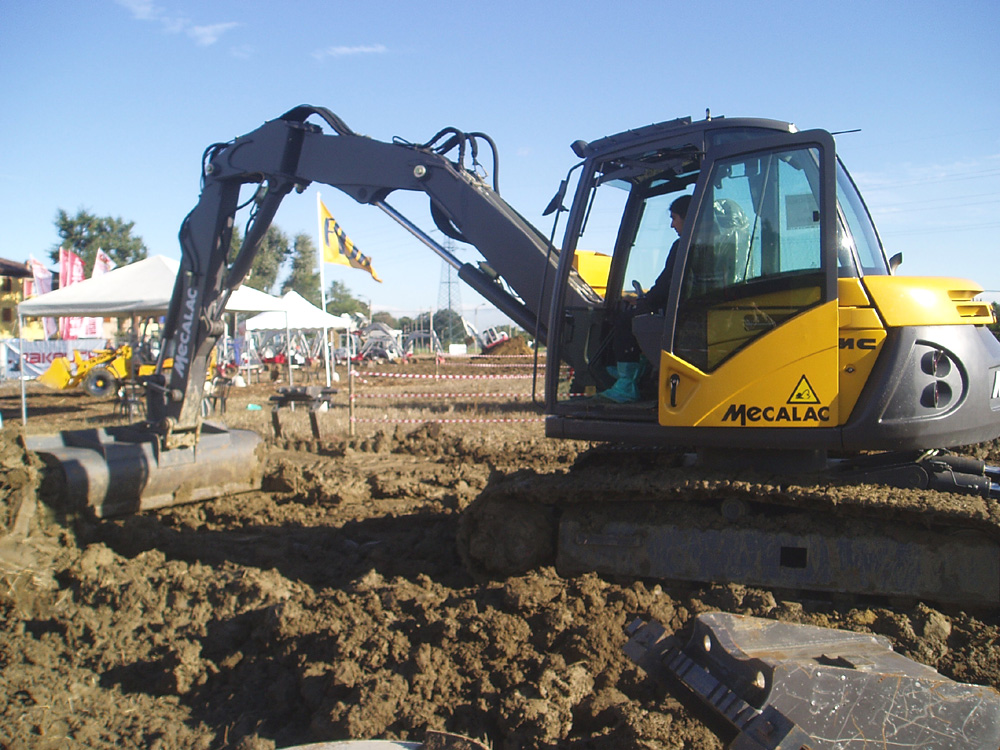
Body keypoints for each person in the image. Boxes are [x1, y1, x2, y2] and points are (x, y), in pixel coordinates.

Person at [597, 194, 691, 403]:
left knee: (625, 320)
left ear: (687, 217)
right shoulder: (710, 243)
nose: (671, 225)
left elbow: (667, 284)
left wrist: (643, 303)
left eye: (674, 218)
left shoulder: (683, 246)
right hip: (688, 310)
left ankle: (626, 382)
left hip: (680, 316)